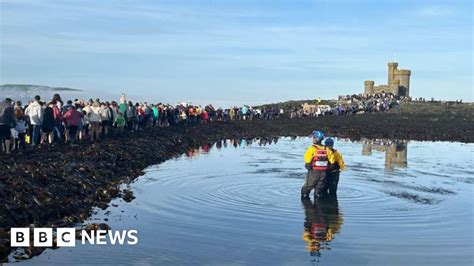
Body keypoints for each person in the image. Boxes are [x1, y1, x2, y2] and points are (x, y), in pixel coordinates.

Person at [301, 130, 332, 199]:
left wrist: (308, 165)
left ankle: (305, 196)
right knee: (319, 186)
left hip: (314, 171)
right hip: (323, 172)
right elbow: (331, 160)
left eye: (313, 137)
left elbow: (307, 159)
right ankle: (317, 196)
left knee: (308, 185)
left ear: (316, 139)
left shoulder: (312, 148)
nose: (312, 139)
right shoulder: (326, 149)